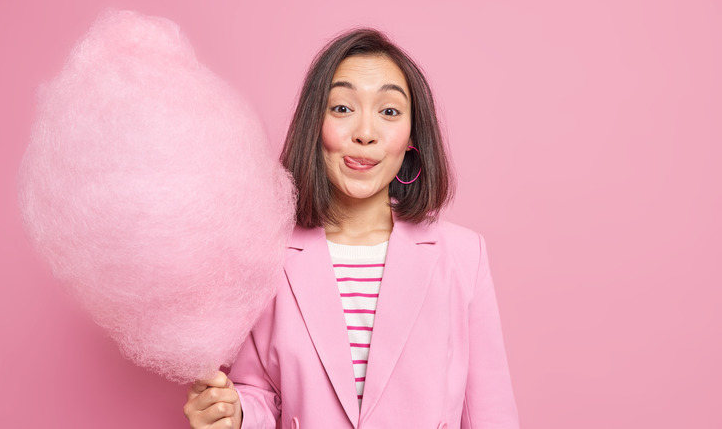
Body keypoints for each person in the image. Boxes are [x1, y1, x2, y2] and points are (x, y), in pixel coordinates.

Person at [183, 28, 519, 429]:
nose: (364, 132)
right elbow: (259, 393)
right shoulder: (268, 255)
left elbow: (490, 413)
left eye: (389, 111)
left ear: (413, 138)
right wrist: (235, 413)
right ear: (315, 125)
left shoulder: (464, 256)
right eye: (342, 108)